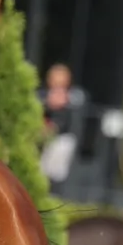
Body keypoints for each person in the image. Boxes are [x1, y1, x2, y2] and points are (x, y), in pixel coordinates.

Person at [38, 63, 85, 193]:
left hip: (61, 140)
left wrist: (62, 101)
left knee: (55, 175)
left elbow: (77, 104)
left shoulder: (75, 96)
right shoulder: (42, 95)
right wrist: (48, 102)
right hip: (41, 140)